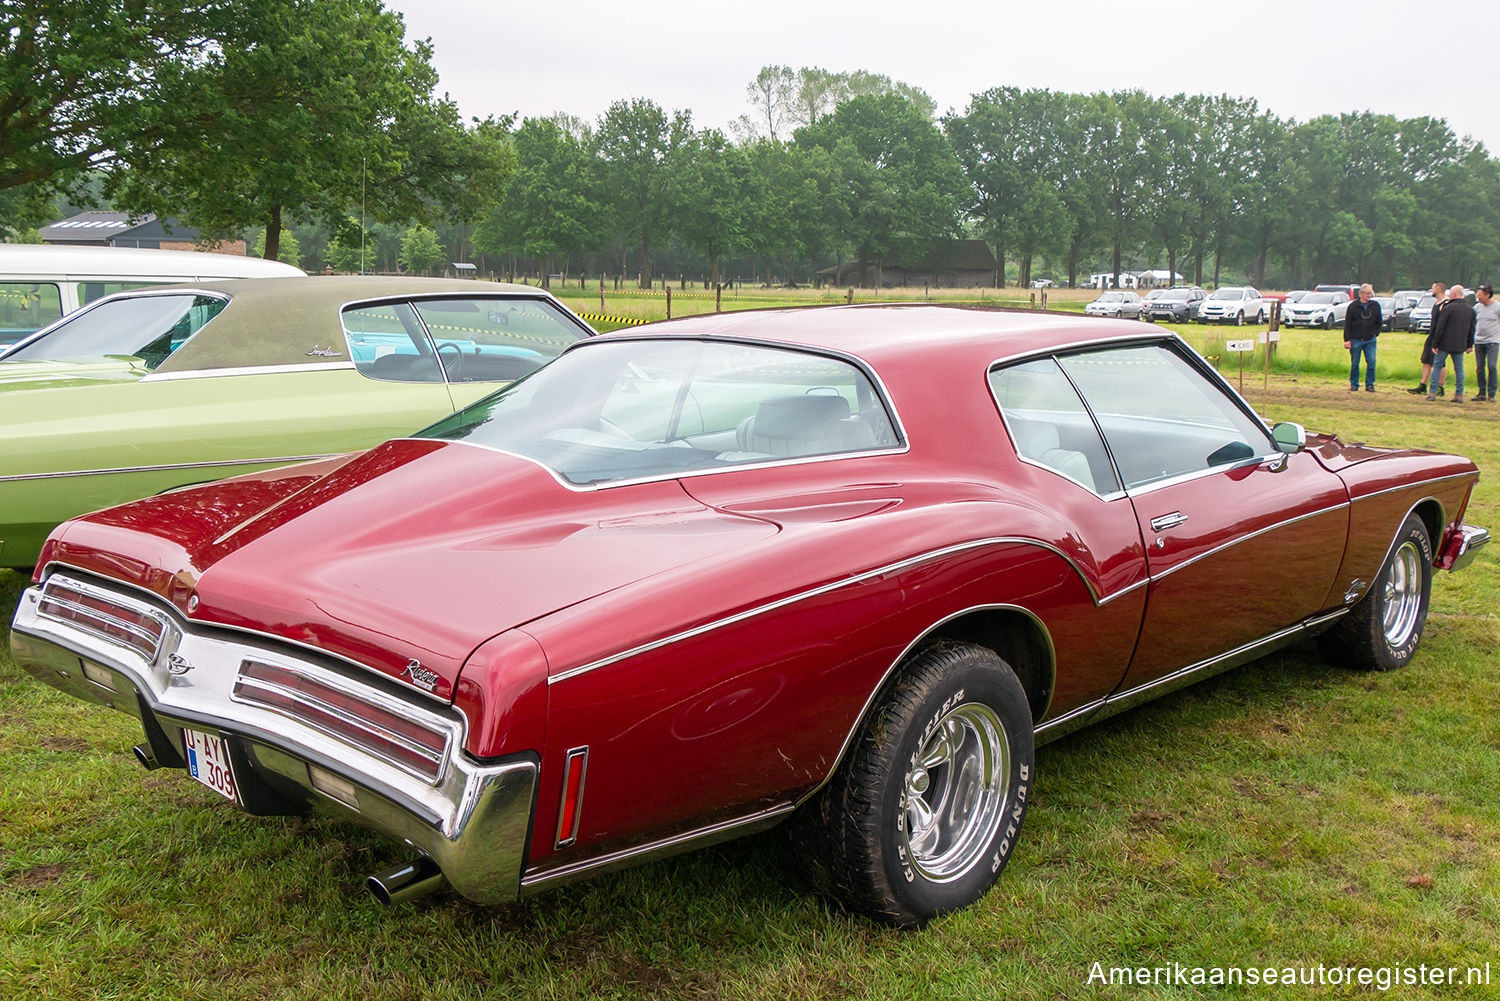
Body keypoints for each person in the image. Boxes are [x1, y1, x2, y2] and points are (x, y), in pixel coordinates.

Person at [1427, 285, 1476, 402]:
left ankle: (1432, 393)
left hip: (1444, 344)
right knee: (1459, 369)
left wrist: (1435, 343)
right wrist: (1470, 344)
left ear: (1454, 295)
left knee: (1437, 366)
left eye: (1450, 294)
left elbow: (1440, 327)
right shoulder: (1470, 310)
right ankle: (1459, 394)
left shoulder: (1448, 308)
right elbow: (1471, 329)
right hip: (1460, 344)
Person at [1408, 281, 1448, 395]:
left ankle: (1440, 387)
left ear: (1439, 289)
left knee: (1440, 363)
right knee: (1426, 360)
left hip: (1440, 337)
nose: (1431, 290)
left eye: (1433, 288)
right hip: (1432, 335)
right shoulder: (1436, 303)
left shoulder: (1445, 304)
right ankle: (1423, 385)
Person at [1342, 282, 1382, 391]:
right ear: (1361, 294)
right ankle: (1354, 385)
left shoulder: (1375, 306)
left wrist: (1375, 333)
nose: (1369, 295)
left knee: (1372, 362)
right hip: (1355, 340)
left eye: (1371, 293)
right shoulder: (1353, 306)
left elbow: (1379, 321)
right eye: (1367, 293)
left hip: (1370, 340)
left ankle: (1370, 385)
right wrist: (1347, 340)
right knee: (1355, 363)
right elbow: (1347, 324)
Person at [1474, 283, 1499, 402]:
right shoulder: (1477, 307)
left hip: (1493, 341)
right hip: (1479, 341)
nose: (1477, 297)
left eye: (1480, 295)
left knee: (1492, 366)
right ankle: (1481, 392)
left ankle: (1492, 393)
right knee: (1479, 367)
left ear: (1487, 295)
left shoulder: (1497, 307)